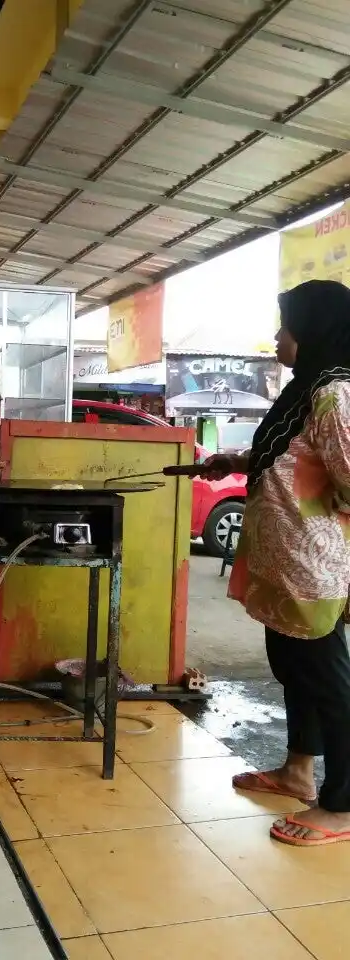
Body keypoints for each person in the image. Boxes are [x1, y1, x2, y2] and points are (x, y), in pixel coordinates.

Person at [203, 279, 350, 847]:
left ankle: (342, 804)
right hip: (282, 561)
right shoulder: (305, 388)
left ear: (312, 328)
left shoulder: (335, 393)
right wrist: (234, 460)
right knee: (293, 666)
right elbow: (297, 454)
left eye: (284, 325)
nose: (275, 336)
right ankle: (296, 772)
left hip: (313, 564)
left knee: (329, 681)